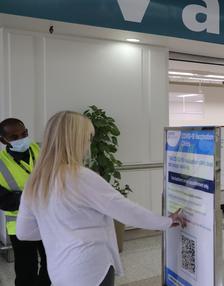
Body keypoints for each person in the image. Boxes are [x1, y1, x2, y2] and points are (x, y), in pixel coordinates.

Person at [16, 111, 186, 286]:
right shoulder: (80, 177)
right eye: (88, 138)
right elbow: (125, 210)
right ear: (76, 140)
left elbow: (23, 232)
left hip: (59, 269)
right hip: (89, 267)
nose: (88, 144)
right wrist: (165, 221)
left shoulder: (36, 180)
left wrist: (59, 231)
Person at [0, 118, 50, 286]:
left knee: (50, 262)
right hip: (20, 223)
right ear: (3, 140)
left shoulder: (43, 150)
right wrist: (32, 196)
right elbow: (3, 200)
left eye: (24, 134)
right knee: (26, 269)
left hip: (49, 219)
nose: (21, 139)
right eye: (14, 137)